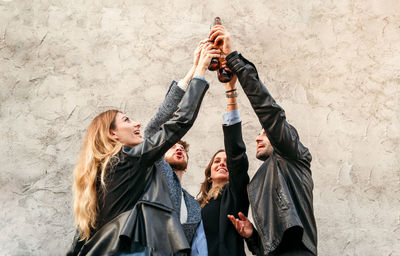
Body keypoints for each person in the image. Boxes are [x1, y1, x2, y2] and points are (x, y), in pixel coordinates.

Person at [67, 41, 220, 255]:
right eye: (127, 120)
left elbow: (160, 121)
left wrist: (191, 72)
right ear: (112, 133)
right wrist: (201, 72)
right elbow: (178, 123)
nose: (137, 123)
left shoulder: (107, 170)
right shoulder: (128, 159)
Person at [210, 26, 318, 255]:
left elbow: (270, 112)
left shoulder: (294, 154)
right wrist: (253, 237)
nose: (258, 136)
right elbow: (272, 247)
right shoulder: (261, 180)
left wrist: (233, 57)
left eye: (265, 132)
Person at [143, 40, 208, 255]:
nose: (178, 148)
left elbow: (199, 248)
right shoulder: (154, 174)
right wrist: (194, 71)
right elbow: (155, 128)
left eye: (183, 149)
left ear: (187, 165)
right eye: (172, 146)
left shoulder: (193, 205)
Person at [197, 70, 250, 256]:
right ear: (209, 173)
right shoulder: (196, 205)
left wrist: (230, 92)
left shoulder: (235, 193)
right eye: (217, 161)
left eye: (226, 161)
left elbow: (237, 155)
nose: (221, 163)